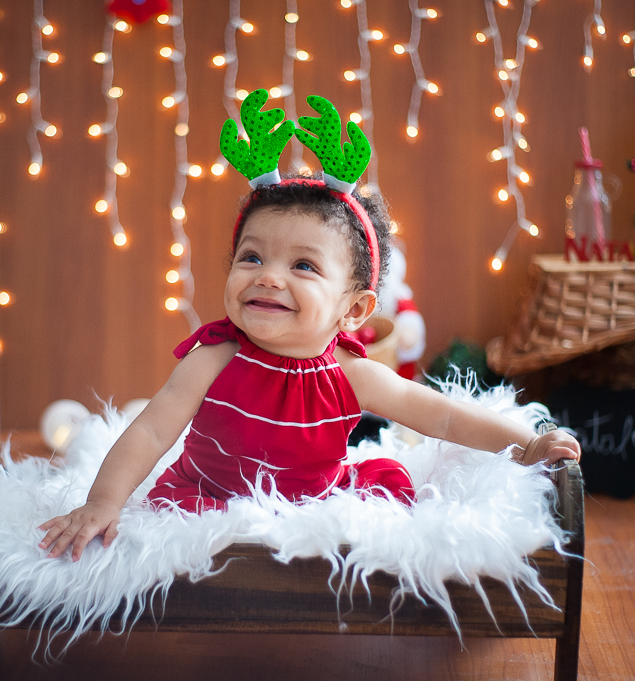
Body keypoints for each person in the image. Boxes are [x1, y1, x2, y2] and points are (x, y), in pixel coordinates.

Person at [38, 92, 580, 562]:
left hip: (314, 506)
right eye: (251, 258)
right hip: (207, 499)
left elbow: (442, 414)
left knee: (370, 521)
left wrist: (528, 446)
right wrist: (104, 502)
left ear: (355, 310)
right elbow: (152, 430)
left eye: (303, 266)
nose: (268, 277)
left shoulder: (350, 372)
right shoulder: (215, 357)